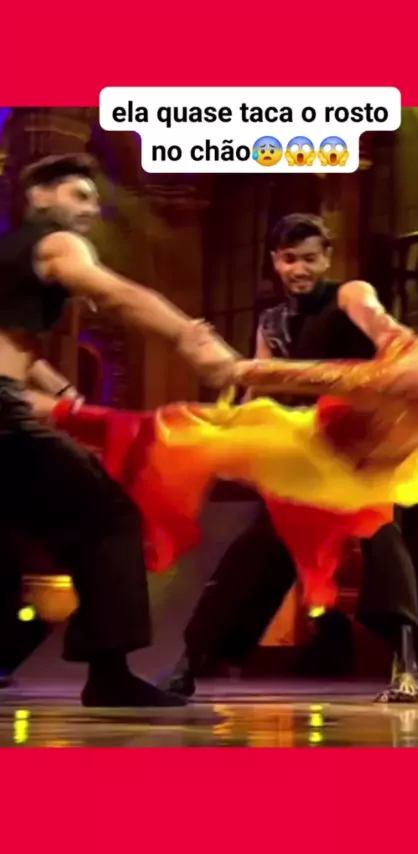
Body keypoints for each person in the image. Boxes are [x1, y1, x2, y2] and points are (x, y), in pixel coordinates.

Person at [0, 153, 236, 708]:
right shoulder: (56, 242)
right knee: (108, 516)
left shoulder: (10, 255)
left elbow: (16, 342)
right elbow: (116, 293)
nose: (91, 209)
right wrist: (191, 337)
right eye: (78, 196)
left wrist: (61, 391)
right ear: (39, 196)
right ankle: (109, 673)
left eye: (94, 200)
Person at [166, 214, 418, 704]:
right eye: (289, 259)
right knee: (251, 555)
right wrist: (231, 437)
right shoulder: (271, 321)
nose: (299, 269)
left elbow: (376, 319)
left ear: (326, 258)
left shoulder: (349, 294)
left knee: (384, 545)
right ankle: (188, 665)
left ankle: (405, 668)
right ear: (274, 261)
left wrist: (397, 341)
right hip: (304, 453)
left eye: (309, 258)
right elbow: (260, 388)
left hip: (359, 449)